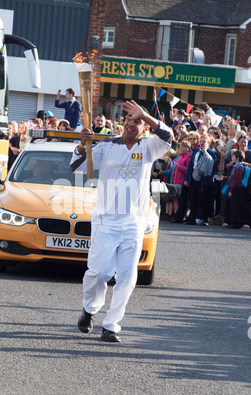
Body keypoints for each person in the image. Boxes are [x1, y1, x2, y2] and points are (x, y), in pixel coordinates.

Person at [70, 100, 172, 342]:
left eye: (137, 122)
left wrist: (145, 115)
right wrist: (83, 145)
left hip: (133, 222)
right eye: (129, 120)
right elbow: (76, 167)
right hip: (106, 220)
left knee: (127, 276)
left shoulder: (149, 147)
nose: (132, 124)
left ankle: (111, 325)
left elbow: (167, 136)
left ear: (144, 127)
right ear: (122, 123)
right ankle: (89, 309)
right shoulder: (106, 145)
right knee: (99, 272)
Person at [183, 134, 216, 225]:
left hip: (205, 177)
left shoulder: (212, 152)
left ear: (208, 142)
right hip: (194, 175)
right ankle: (193, 218)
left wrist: (205, 152)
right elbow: (190, 165)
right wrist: (187, 178)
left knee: (203, 199)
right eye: (201, 141)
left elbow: (211, 165)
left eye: (204, 141)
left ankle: (204, 219)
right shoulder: (196, 151)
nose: (202, 143)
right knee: (193, 198)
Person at [224, 150, 251, 229]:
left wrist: (231, 190)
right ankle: (233, 222)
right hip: (235, 189)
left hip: (237, 189)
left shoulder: (239, 168)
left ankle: (235, 223)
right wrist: (225, 178)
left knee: (235, 206)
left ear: (237, 158)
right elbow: (232, 178)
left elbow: (236, 180)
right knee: (233, 205)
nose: (232, 158)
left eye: (233, 157)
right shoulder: (236, 167)